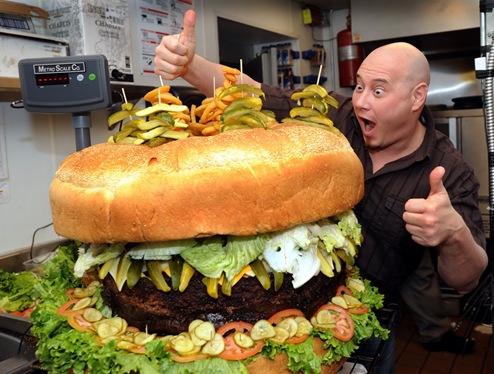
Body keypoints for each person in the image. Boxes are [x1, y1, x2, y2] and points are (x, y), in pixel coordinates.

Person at [153, 9, 489, 373]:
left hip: (367, 319)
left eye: (378, 90)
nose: (361, 101)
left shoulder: (449, 169)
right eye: (359, 86)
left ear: (416, 97)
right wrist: (191, 65)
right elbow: (256, 95)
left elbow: (467, 277)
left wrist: (453, 233)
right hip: (295, 312)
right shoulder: (337, 115)